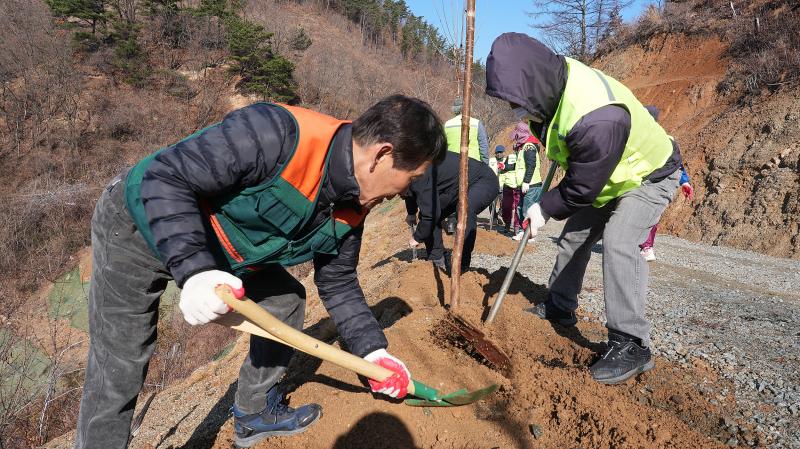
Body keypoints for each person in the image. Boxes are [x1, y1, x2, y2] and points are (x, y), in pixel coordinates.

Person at [75, 95, 447, 449]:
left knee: (285, 300)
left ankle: (253, 413)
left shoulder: (355, 207)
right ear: (383, 155)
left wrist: (372, 351)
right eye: (411, 179)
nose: (404, 193)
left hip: (223, 250)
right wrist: (196, 271)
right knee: (119, 365)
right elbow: (166, 177)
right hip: (137, 227)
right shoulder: (276, 134)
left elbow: (338, 281)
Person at [486, 33, 682, 385]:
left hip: (649, 174)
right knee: (574, 236)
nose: (517, 110)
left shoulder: (596, 116)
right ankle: (560, 307)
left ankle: (632, 344)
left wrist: (543, 208)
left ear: (533, 83)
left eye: (518, 101)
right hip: (611, 174)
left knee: (621, 242)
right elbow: (575, 160)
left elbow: (582, 185)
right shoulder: (552, 89)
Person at [404, 152, 499, 274]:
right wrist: (411, 213)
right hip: (454, 188)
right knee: (426, 215)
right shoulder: (407, 171)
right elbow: (410, 192)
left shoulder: (418, 171)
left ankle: (462, 265)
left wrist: (417, 237)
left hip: (482, 181)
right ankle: (437, 259)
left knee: (464, 209)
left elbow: (430, 213)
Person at [638, 106, 694, 262]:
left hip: (651, 184)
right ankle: (644, 247)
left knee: (648, 217)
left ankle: (646, 247)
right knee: (650, 217)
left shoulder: (654, 139)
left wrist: (685, 182)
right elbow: (677, 164)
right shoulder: (667, 139)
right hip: (659, 186)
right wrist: (685, 182)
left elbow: (676, 164)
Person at [442, 96, 491, 234]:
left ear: (454, 109)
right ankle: (466, 224)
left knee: (453, 192)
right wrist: (485, 165)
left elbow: (443, 146)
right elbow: (483, 146)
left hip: (451, 165)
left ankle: (451, 223)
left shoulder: (447, 124)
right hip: (472, 166)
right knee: (469, 194)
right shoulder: (476, 123)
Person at [505, 122, 543, 242]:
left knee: (528, 209)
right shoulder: (523, 148)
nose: (515, 138)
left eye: (517, 135)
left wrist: (526, 181)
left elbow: (531, 165)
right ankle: (523, 231)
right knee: (521, 208)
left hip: (531, 185)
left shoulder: (529, 147)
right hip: (524, 186)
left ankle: (530, 234)